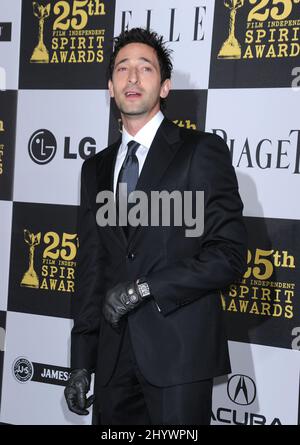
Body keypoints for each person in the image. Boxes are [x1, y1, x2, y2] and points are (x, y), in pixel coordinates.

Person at [64, 27, 247, 425]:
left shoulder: (200, 152)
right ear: (110, 87)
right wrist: (82, 359)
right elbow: (92, 267)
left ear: (164, 86)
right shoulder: (94, 169)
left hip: (178, 358)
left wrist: (144, 289)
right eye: (122, 69)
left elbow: (228, 256)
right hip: (112, 361)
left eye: (144, 68)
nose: (132, 78)